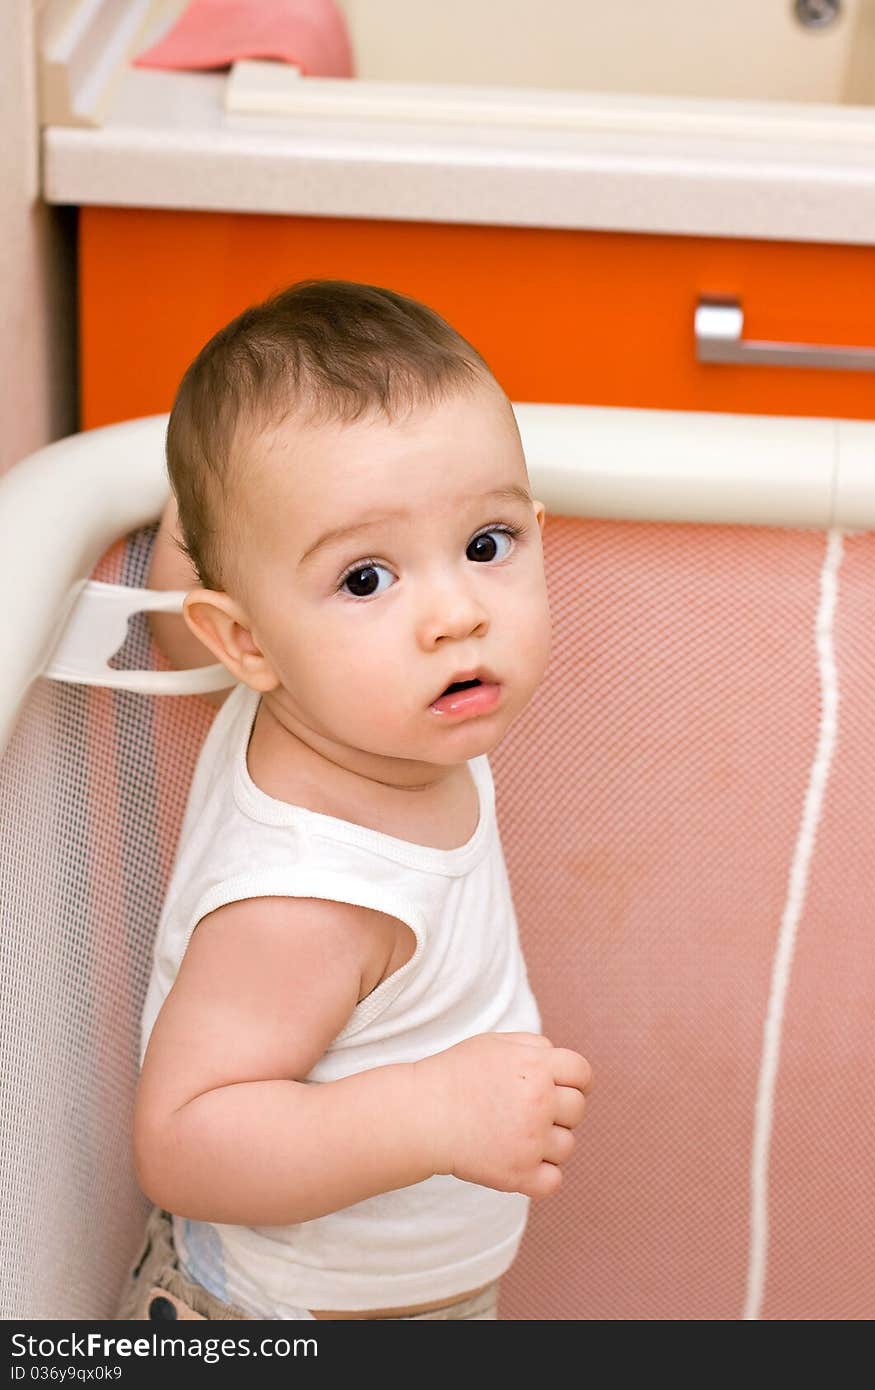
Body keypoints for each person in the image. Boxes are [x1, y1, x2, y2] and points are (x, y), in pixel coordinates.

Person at [119, 280, 593, 1322]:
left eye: (486, 544)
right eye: (367, 579)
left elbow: (188, 598)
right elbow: (184, 1141)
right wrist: (431, 1115)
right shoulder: (304, 896)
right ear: (246, 641)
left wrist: (227, 500)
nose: (457, 614)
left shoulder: (371, 716)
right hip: (289, 1318)